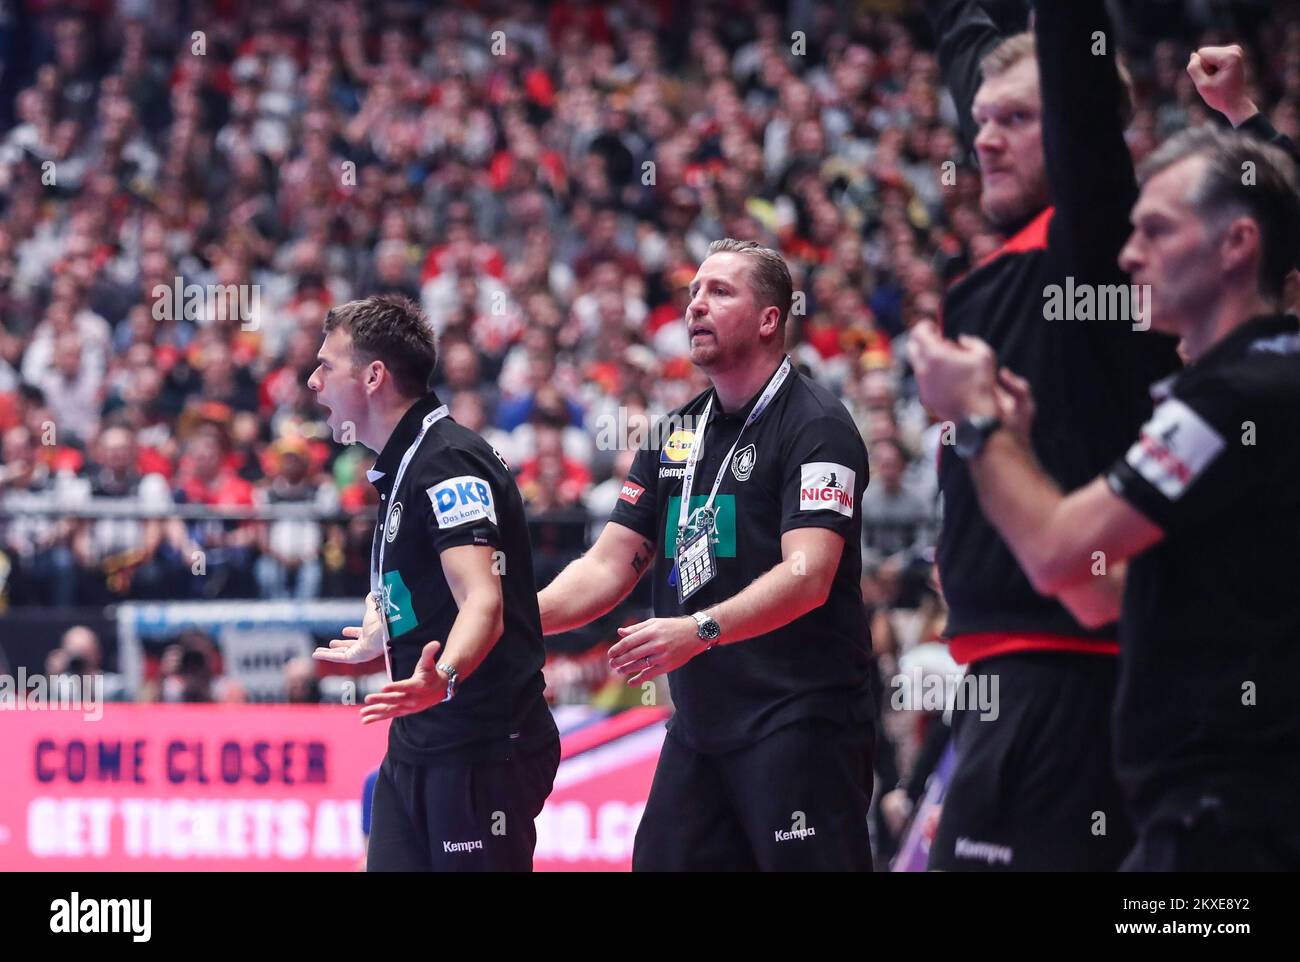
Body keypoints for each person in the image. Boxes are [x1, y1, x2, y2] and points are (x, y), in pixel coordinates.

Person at [909, 126, 1300, 870]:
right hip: (1201, 815)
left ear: (1237, 245)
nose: (1127, 255)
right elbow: (1103, 592)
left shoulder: (1239, 396)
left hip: (1236, 823)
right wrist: (1016, 450)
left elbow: (1061, 557)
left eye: (1155, 230)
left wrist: (978, 422)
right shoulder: (1245, 385)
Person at [919, 0, 1181, 870]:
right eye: (981, 120)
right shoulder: (1001, 268)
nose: (984, 138)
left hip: (1075, 676)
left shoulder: (1096, 245)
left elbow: (1073, 76)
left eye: (1018, 121)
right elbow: (967, 44)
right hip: (1002, 678)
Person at [538, 239, 874, 871]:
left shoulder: (817, 425)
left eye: (720, 292)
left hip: (799, 721)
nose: (695, 306)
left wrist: (699, 629)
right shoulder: (674, 433)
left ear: (770, 318)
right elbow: (610, 565)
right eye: (693, 293)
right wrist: (510, 620)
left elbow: (810, 575)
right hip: (701, 727)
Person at [307, 294, 559, 872]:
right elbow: (421, 579)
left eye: (327, 365)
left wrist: (442, 677)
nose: (313, 380)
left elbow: (483, 602)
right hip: (420, 742)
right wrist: (382, 625)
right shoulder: (406, 462)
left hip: (481, 746)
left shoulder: (447, 464)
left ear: (374, 377)